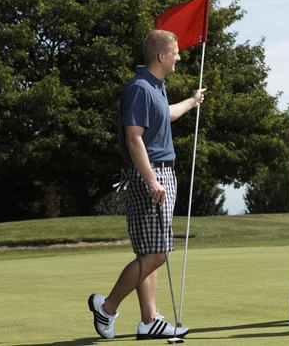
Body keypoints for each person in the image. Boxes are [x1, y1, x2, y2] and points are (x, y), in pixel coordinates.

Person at [88, 29, 205, 340]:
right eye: (176, 52)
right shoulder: (139, 88)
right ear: (161, 56)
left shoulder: (156, 87)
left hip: (161, 172)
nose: (180, 56)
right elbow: (133, 137)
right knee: (158, 254)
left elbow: (165, 115)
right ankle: (108, 307)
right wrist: (152, 179)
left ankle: (148, 320)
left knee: (148, 251)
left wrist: (192, 102)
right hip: (151, 174)